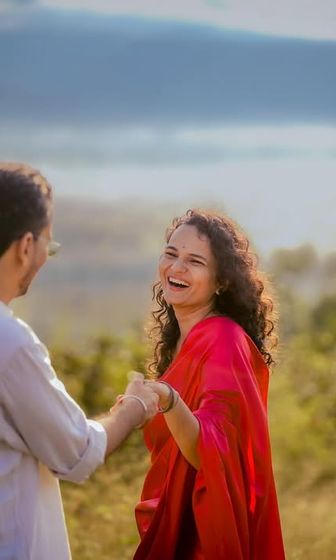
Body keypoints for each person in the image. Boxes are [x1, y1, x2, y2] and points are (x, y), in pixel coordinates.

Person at [0, 163, 159, 560]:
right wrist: (133, 409)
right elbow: (77, 453)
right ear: (24, 246)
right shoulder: (11, 344)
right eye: (47, 246)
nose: (44, 258)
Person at [133, 209, 286, 559]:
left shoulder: (222, 340)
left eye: (194, 261)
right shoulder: (185, 340)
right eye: (171, 254)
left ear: (221, 281)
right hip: (178, 523)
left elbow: (209, 452)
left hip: (204, 537)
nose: (176, 268)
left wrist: (169, 401)